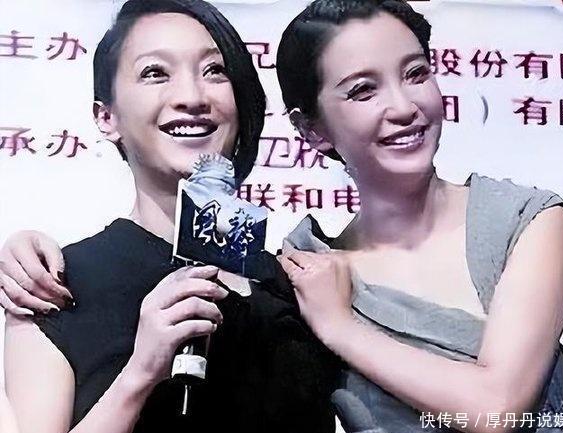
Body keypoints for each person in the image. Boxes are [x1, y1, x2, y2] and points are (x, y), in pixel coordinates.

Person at [0, 1, 337, 432]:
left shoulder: (295, 285)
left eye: (214, 71)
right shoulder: (51, 286)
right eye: (155, 73)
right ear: (106, 117)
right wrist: (140, 374)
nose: (193, 97)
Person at [274, 1, 563, 432]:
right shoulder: (308, 273)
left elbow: (498, 410)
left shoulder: (525, 222)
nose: (403, 107)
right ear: (311, 130)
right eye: (363, 90)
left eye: (416, 74)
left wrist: (342, 329)